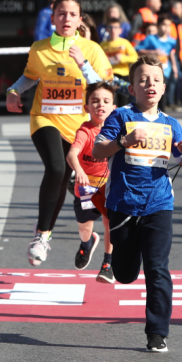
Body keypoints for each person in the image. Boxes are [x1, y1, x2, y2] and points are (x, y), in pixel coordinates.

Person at [92, 55, 182, 352]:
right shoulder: (121, 117)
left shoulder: (171, 124)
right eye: (142, 80)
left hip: (159, 204)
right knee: (125, 274)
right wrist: (123, 142)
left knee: (158, 268)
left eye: (155, 80)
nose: (149, 84)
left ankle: (157, 333)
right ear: (133, 89)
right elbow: (99, 151)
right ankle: (121, 264)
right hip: (123, 204)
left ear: (163, 88)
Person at [6, 0, 113, 266]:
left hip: (81, 126)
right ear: (52, 18)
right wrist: (14, 90)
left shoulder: (91, 50)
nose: (66, 19)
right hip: (45, 119)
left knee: (72, 184)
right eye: (61, 13)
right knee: (56, 168)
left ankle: (88, 237)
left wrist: (83, 65)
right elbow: (29, 77)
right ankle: (42, 236)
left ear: (80, 20)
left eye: (72, 14)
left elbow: (103, 91)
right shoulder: (39, 48)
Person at [65, 81, 117, 282]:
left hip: (109, 187)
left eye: (106, 101)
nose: (100, 105)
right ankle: (87, 244)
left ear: (113, 107)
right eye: (95, 101)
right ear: (86, 107)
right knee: (85, 228)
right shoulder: (85, 131)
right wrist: (78, 170)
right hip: (86, 189)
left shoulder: (117, 130)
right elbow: (72, 154)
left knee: (109, 223)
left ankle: (108, 263)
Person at [136, 17, 179, 111]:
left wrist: (175, 67)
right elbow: (138, 50)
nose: (166, 28)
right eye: (164, 25)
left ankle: (162, 112)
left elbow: (171, 53)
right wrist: (153, 52)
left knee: (163, 92)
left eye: (169, 26)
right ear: (158, 26)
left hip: (166, 70)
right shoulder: (150, 38)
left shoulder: (172, 41)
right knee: (154, 91)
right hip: (152, 70)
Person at [100, 19, 138, 101]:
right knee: (112, 101)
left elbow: (135, 58)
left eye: (115, 27)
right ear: (107, 29)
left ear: (120, 30)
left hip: (124, 75)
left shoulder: (125, 42)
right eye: (110, 27)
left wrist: (122, 58)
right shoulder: (102, 45)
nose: (113, 30)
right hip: (109, 76)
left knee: (124, 102)